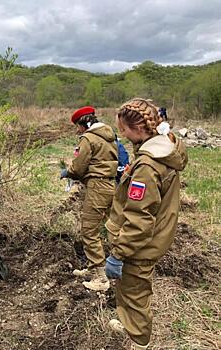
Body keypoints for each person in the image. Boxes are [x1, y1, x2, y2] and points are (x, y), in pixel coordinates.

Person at [105, 98, 188, 350]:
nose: (122, 134)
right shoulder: (164, 148)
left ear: (138, 129)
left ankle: (139, 340)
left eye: (124, 129)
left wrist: (118, 253)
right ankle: (131, 325)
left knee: (134, 293)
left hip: (140, 245)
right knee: (133, 289)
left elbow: (140, 219)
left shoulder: (147, 165)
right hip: (152, 239)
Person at [60, 106, 118, 291]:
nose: (77, 130)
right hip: (111, 185)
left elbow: (78, 168)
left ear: (84, 124)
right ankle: (116, 267)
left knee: (89, 230)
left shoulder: (88, 138)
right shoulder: (109, 136)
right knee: (113, 227)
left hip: (97, 187)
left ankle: (100, 277)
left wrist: (67, 172)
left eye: (77, 126)